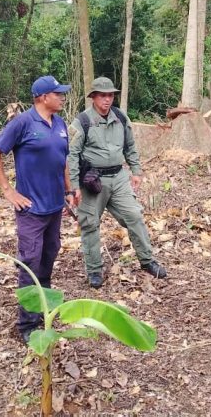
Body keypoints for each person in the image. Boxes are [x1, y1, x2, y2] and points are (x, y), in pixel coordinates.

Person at [0, 75, 77, 343]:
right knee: (30, 262)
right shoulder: (23, 122)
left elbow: (63, 159)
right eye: (57, 94)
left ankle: (43, 306)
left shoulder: (59, 123)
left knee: (49, 257)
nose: (62, 97)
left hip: (54, 206)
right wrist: (7, 189)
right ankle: (27, 324)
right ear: (42, 97)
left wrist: (69, 191)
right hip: (31, 210)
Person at [68, 77, 167, 288]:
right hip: (93, 180)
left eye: (110, 95)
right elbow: (72, 155)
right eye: (102, 95)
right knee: (90, 224)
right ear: (93, 97)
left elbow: (130, 146)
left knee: (134, 215)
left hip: (119, 177)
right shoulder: (82, 121)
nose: (107, 99)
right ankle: (94, 270)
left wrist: (136, 170)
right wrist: (74, 186)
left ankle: (147, 260)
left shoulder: (121, 118)